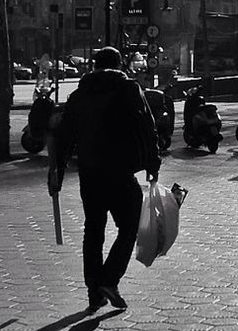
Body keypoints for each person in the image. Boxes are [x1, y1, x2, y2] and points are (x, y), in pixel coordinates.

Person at [50, 46, 161, 312]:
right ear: (120, 65)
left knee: (94, 229)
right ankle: (109, 279)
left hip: (89, 172)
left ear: (94, 66)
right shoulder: (129, 89)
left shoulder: (79, 95)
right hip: (120, 170)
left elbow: (64, 136)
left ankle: (94, 292)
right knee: (130, 225)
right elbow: (147, 126)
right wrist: (152, 163)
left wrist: (57, 171)